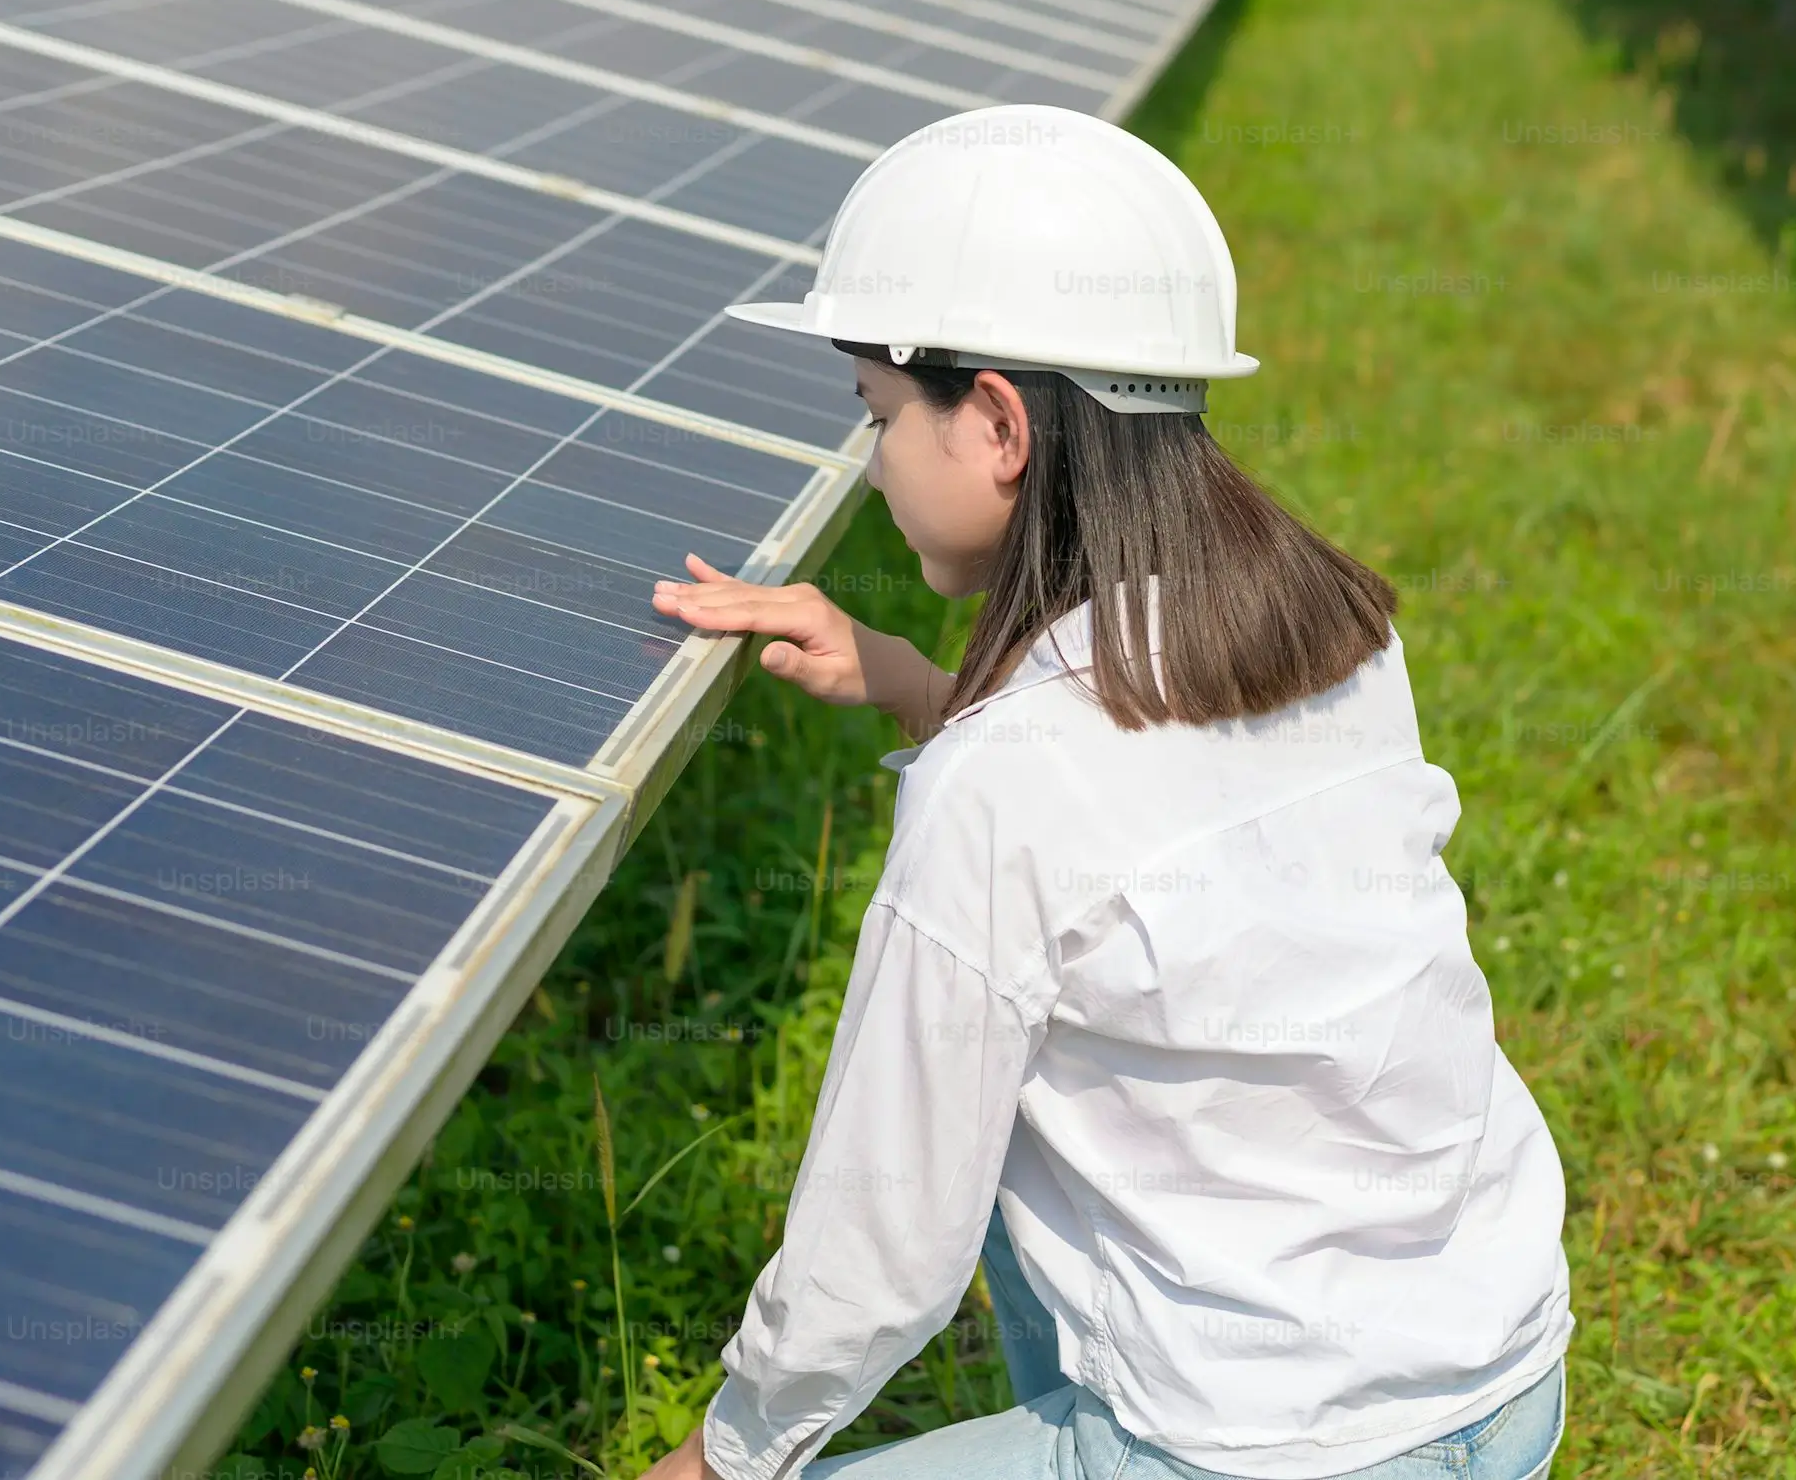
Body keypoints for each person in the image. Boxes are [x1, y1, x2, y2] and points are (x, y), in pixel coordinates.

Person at [642, 106, 1570, 1480]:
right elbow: (1146, 830)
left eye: (879, 413)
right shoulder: (1338, 634)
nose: (874, 460)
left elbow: (887, 1236)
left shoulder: (1000, 790)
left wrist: (727, 1454)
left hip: (1260, 1454)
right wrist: (913, 683)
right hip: (1502, 1382)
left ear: (1000, 424)